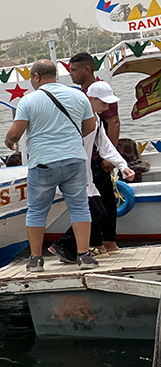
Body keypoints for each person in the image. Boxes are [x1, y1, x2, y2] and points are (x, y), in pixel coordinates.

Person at [4, 59, 97, 272]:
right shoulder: (78, 96)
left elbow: (15, 133)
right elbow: (90, 126)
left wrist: (9, 142)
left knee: (37, 211)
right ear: (55, 74)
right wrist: (69, 141)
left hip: (43, 164)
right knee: (79, 207)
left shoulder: (28, 101)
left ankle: (36, 260)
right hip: (74, 160)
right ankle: (84, 256)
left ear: (36, 77)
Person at [49, 81, 136, 262]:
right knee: (96, 213)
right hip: (73, 174)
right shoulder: (76, 118)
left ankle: (67, 249)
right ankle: (64, 245)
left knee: (99, 214)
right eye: (103, 102)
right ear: (90, 98)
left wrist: (123, 166)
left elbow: (105, 146)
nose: (106, 107)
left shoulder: (95, 120)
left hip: (85, 175)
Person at [69, 51, 122, 252]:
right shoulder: (78, 95)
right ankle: (98, 242)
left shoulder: (100, 92)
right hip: (84, 155)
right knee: (96, 200)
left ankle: (107, 240)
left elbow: (113, 122)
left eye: (74, 70)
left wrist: (109, 156)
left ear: (87, 69)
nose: (71, 74)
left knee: (102, 199)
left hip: (97, 156)